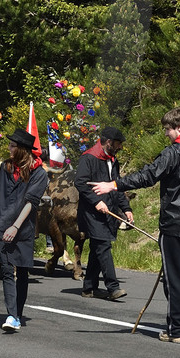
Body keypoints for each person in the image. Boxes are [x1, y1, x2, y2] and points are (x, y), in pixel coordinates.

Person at [90, 107, 180, 346]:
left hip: (176, 225)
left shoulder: (174, 152)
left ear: (178, 127)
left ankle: (177, 330)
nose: (166, 134)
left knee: (175, 278)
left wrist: (114, 185)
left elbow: (148, 176)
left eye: (167, 129)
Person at [0, 129, 48, 332]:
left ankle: (17, 313)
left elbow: (30, 202)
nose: (9, 149)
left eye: (13, 146)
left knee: (22, 272)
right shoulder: (5, 167)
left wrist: (16, 226)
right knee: (7, 271)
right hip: (2, 225)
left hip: (23, 229)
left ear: (23, 150)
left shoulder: (39, 174)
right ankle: (12, 315)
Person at [74, 126, 132, 300]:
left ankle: (89, 287)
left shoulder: (113, 160)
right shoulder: (89, 158)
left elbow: (117, 186)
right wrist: (96, 201)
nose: (120, 147)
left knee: (97, 249)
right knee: (103, 246)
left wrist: (126, 208)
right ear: (108, 142)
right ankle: (113, 287)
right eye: (118, 143)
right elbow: (81, 183)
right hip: (92, 212)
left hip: (109, 210)